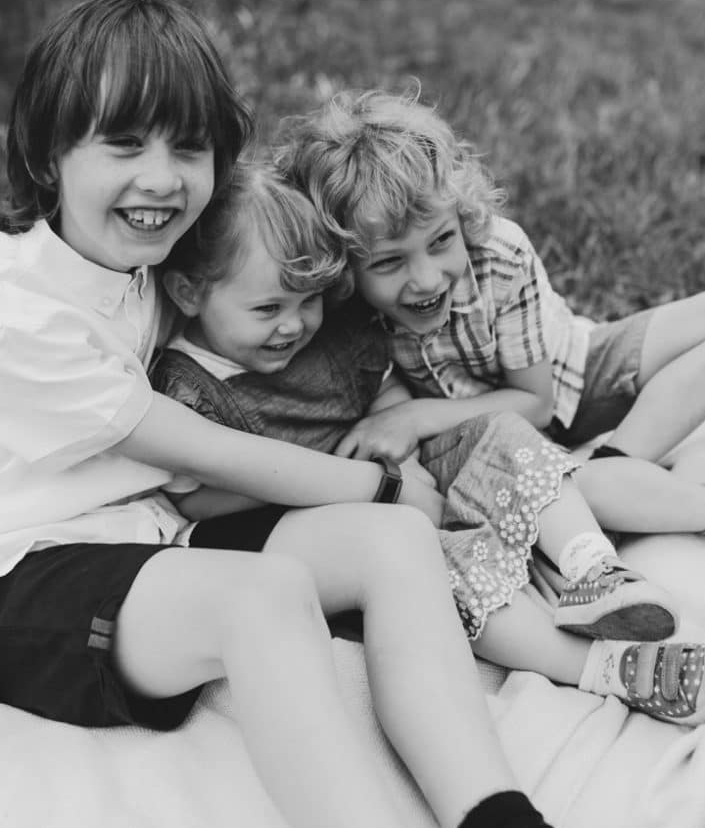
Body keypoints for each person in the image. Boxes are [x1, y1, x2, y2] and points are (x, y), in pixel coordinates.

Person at [4, 0, 698, 828]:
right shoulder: (21, 307)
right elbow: (203, 448)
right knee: (267, 596)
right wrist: (375, 478)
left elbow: (274, 257)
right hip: (35, 575)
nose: (159, 179)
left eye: (188, 148)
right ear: (44, 156)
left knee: (392, 544)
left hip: (166, 542)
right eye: (122, 146)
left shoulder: (153, 264)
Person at [154, 160, 705, 728]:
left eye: (307, 301)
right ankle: (610, 669)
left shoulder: (332, 330)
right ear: (189, 293)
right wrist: (341, 481)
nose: (294, 326)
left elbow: (382, 386)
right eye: (269, 309)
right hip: (348, 517)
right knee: (450, 575)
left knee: (503, 436)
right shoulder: (187, 391)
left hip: (408, 469)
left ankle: (594, 568)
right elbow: (195, 499)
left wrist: (401, 438)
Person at [276, 86, 705, 535]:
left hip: (573, 376)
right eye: (389, 262)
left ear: (461, 214)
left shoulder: (500, 254)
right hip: (484, 439)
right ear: (345, 265)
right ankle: (609, 486)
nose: (426, 279)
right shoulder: (343, 310)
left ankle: (618, 465)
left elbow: (537, 403)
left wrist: (412, 417)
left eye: (442, 240)